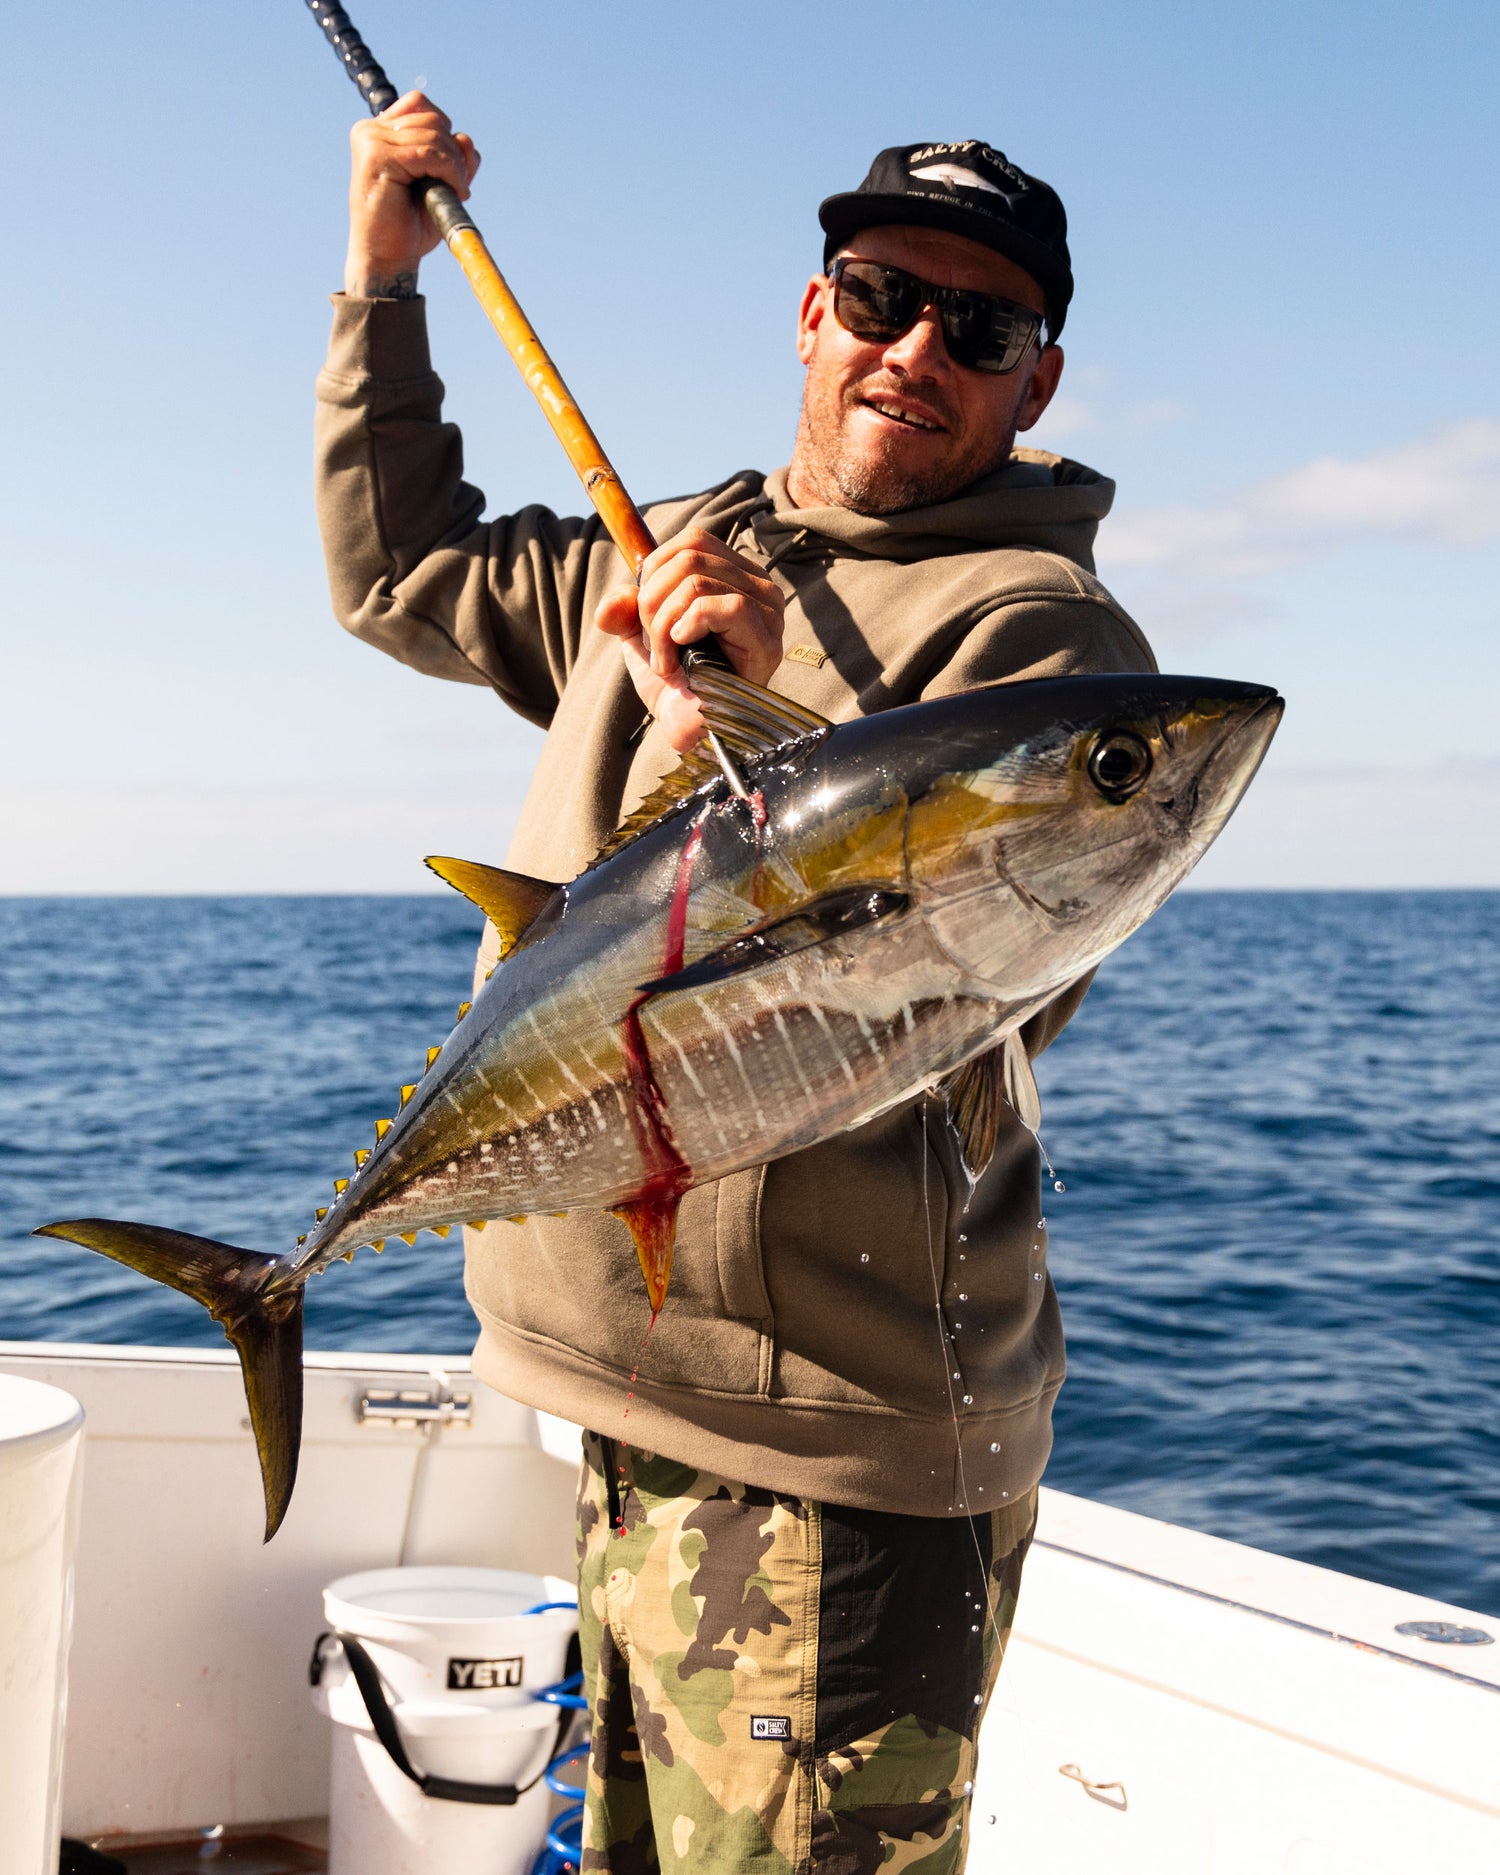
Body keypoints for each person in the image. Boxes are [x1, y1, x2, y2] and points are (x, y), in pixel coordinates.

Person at [316, 95, 1155, 1873]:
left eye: (979, 329)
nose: (915, 350)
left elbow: (964, 982)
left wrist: (771, 737)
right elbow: (401, 571)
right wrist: (380, 289)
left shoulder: (1044, 645)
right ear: (812, 310)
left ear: (1036, 384)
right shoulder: (678, 548)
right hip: (620, 1413)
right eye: (878, 295)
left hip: (825, 1467)